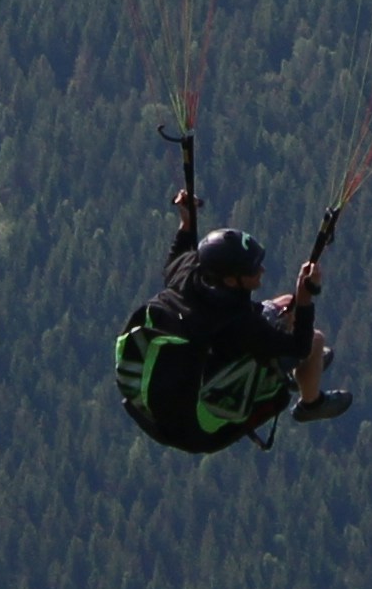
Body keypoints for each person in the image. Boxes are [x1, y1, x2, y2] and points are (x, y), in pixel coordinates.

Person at [115, 159, 350, 449]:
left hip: (184, 378)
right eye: (253, 270)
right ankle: (310, 403)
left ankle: (295, 372)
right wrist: (305, 298)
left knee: (283, 304)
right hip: (196, 425)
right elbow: (299, 346)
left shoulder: (190, 272)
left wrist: (187, 222)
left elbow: (178, 255)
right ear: (230, 280)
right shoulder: (238, 322)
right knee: (314, 342)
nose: (261, 271)